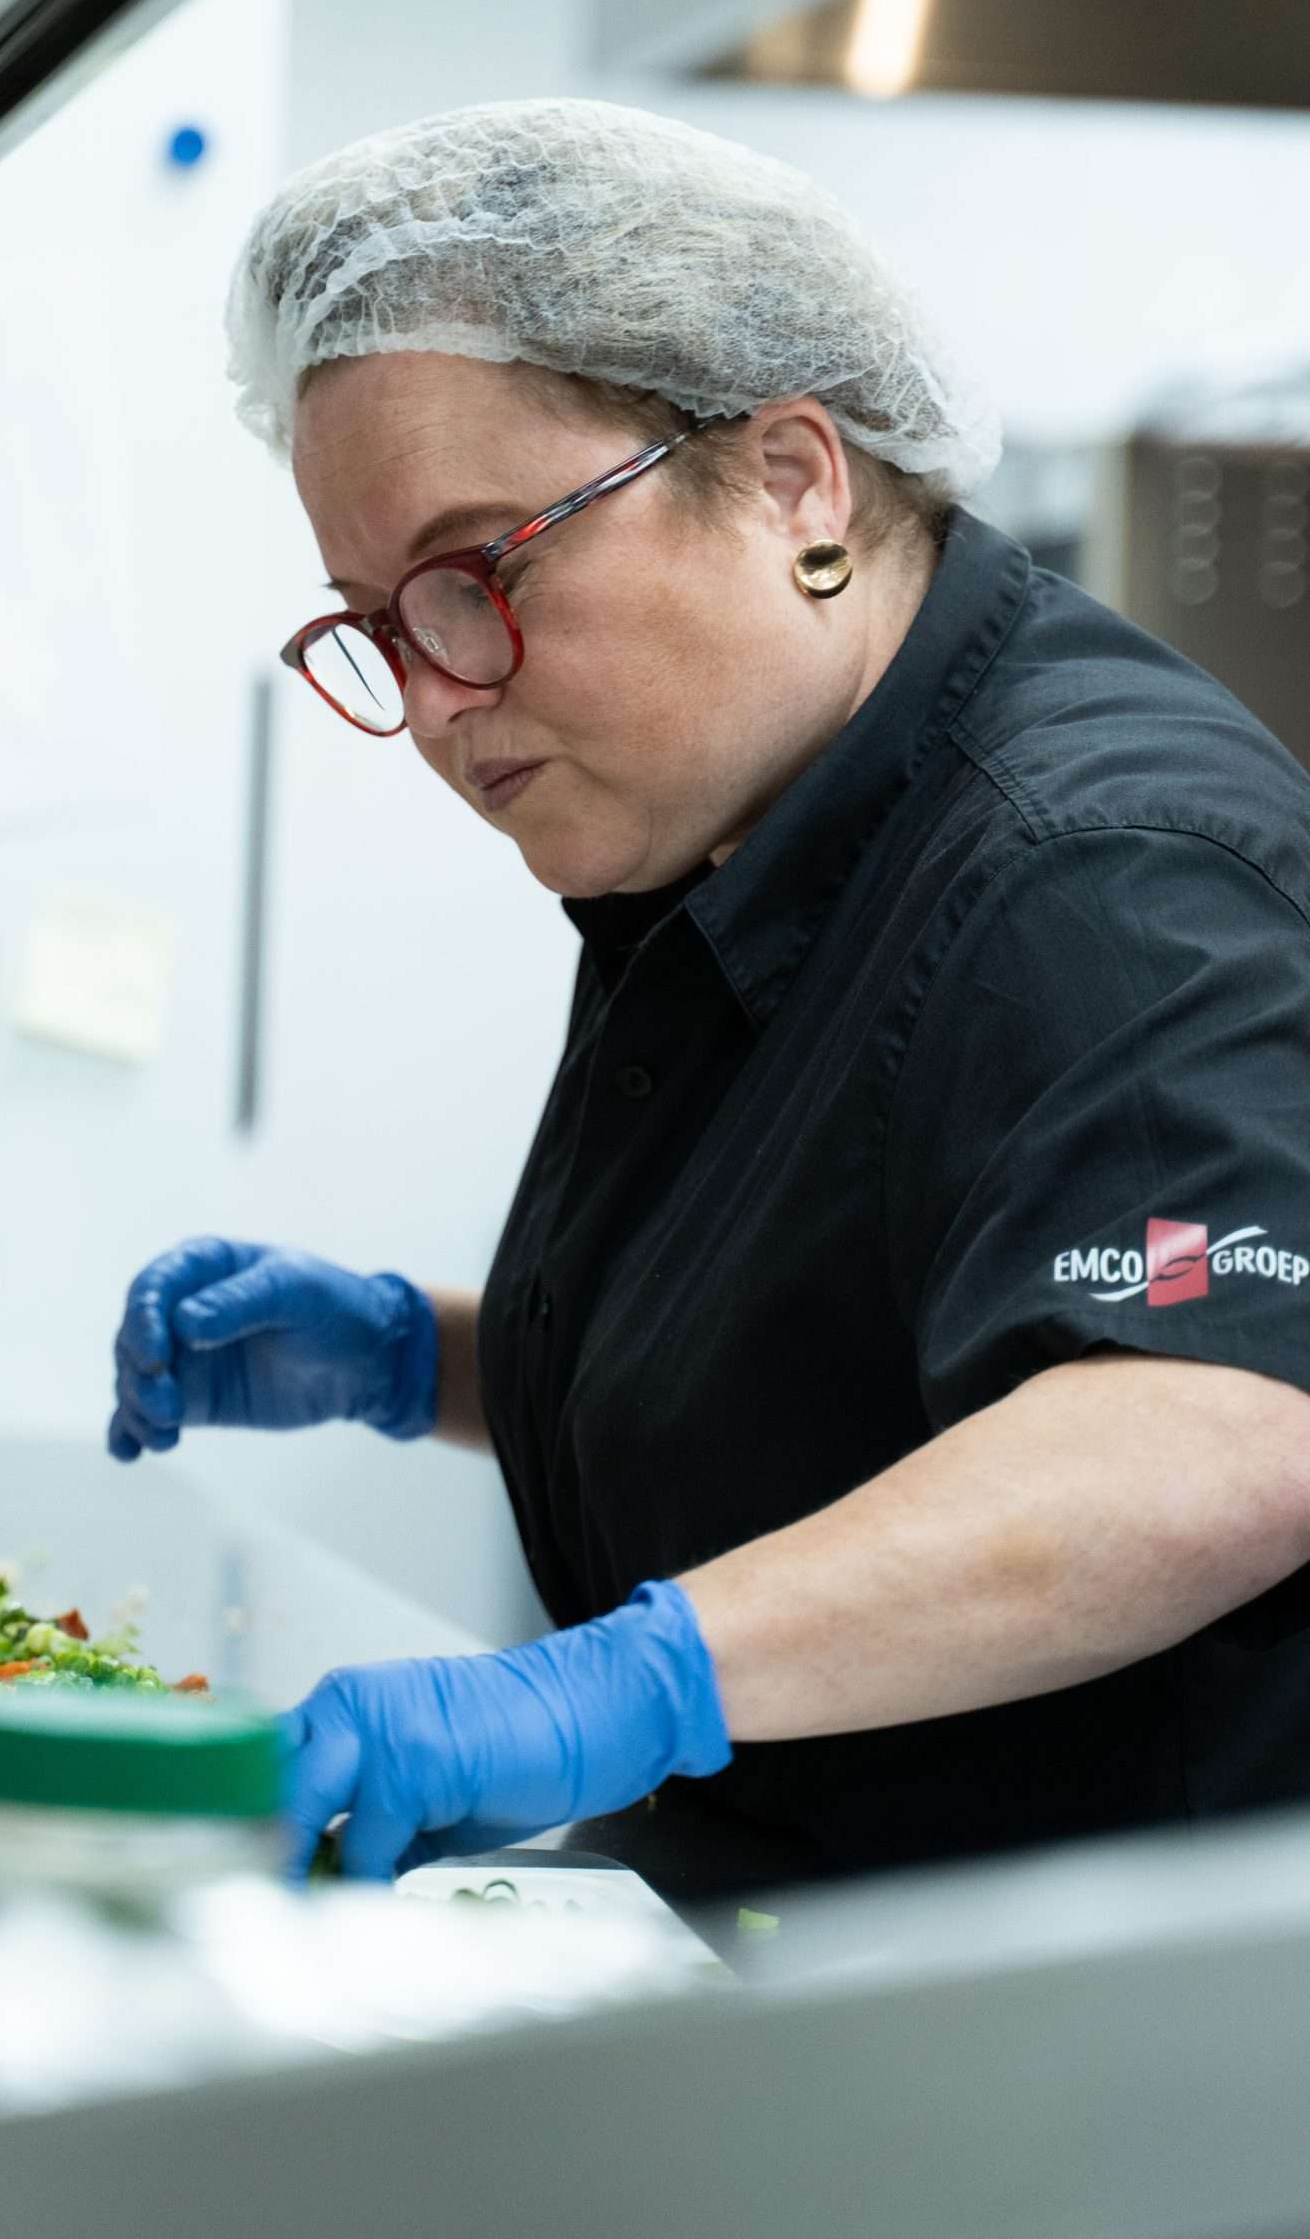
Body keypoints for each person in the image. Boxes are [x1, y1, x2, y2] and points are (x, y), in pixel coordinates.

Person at [108, 98, 1310, 1894]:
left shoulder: (1101, 866)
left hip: (1069, 2071)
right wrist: (425, 1357)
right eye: (376, 622)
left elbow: (1221, 1422)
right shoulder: (738, 827)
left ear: (793, 482)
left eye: (479, 573)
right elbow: (841, 1360)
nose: (435, 701)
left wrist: (635, 1684)